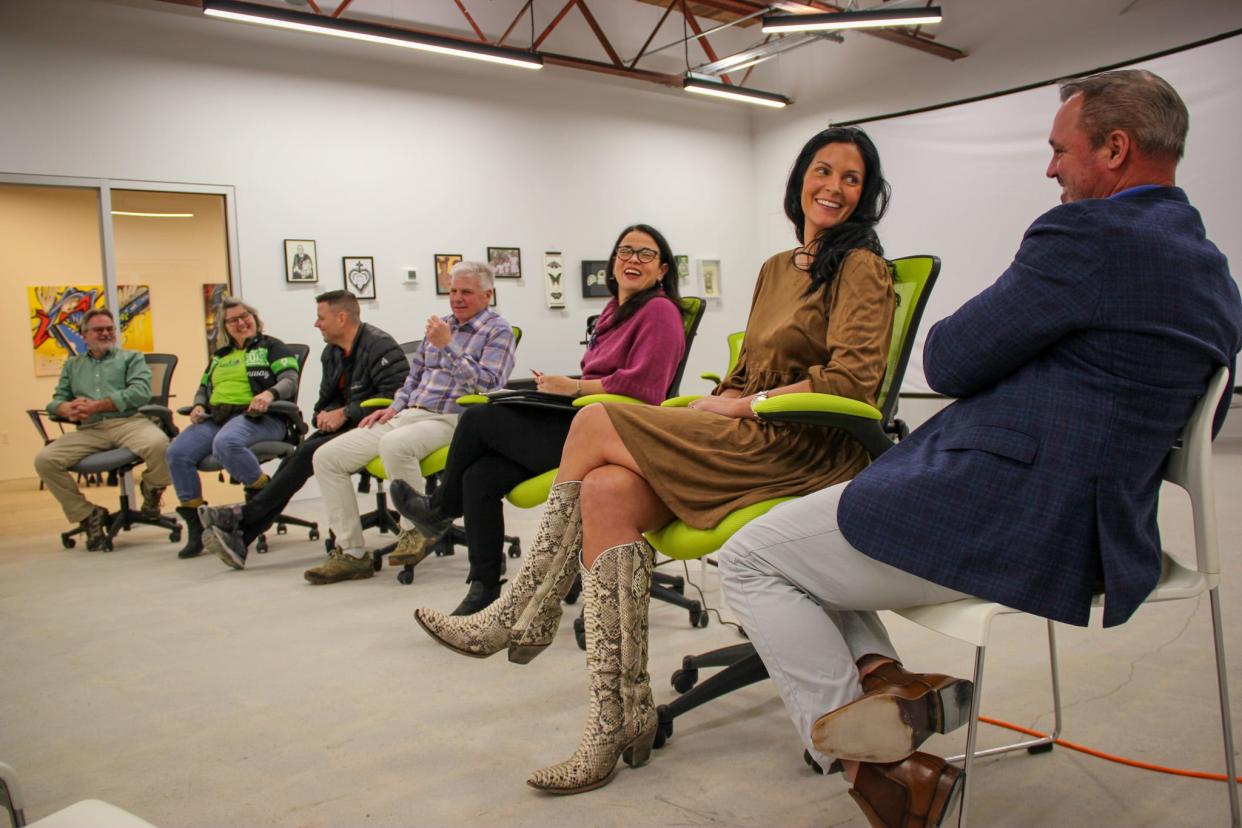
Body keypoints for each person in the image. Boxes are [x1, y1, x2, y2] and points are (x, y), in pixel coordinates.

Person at [718, 69, 1242, 828]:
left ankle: (886, 771)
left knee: (753, 559)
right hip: (1110, 529)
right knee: (803, 540)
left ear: (1117, 149)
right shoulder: (1211, 269)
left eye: (1061, 150)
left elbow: (953, 359)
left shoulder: (1087, 235)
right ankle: (890, 688)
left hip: (1012, 514)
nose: (1051, 167)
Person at [405, 126, 897, 794]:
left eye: (851, 179)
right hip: (747, 427)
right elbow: (746, 369)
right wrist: (716, 401)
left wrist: (743, 408)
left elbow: (854, 384)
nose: (832, 187)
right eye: (822, 170)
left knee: (598, 414)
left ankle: (526, 606)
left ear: (865, 197)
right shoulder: (776, 269)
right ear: (800, 180)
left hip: (801, 443)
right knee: (605, 490)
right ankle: (619, 719)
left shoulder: (863, 265)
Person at [389, 223, 686, 615]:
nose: (633, 260)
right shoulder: (614, 312)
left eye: (645, 254)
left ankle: (441, 509)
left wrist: (575, 387)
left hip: (614, 432)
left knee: (477, 418)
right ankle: (484, 591)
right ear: (613, 263)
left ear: (662, 270)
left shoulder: (660, 311)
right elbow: (604, 377)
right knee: (480, 476)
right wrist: (561, 386)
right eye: (625, 251)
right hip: (584, 418)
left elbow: (646, 390)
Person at [305, 262, 516, 585]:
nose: (457, 298)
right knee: (326, 457)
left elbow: (486, 385)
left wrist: (449, 345)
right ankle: (352, 554)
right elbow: (413, 378)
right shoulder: (439, 326)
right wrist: (394, 407)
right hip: (409, 414)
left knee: (394, 446)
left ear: (488, 294)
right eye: (453, 291)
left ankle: (416, 529)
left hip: (454, 418)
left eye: (466, 292)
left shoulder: (497, 330)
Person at [199, 290, 408, 570]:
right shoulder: (331, 353)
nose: (316, 324)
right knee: (296, 458)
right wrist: (324, 414)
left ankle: (241, 521)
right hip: (347, 426)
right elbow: (325, 398)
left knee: (308, 452)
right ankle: (242, 534)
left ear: (342, 318)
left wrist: (345, 412)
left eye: (321, 318)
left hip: (378, 425)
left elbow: (396, 399)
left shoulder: (381, 346)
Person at [164, 298, 300, 559]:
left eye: (245, 316)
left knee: (225, 443)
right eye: (233, 320)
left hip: (261, 417)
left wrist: (270, 395)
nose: (241, 322)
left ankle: (263, 491)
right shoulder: (220, 356)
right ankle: (196, 525)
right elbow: (203, 388)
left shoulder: (272, 346)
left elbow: (289, 380)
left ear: (254, 317)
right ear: (224, 327)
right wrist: (198, 405)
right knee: (176, 453)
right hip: (217, 416)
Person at [35, 307, 172, 550]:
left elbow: (140, 393)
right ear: (85, 335)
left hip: (128, 422)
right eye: (99, 330)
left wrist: (98, 405)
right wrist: (65, 408)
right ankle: (88, 515)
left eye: (110, 329)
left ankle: (151, 489)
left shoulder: (131, 358)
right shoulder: (73, 365)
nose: (106, 333)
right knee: (45, 460)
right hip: (91, 429)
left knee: (160, 445)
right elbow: (56, 400)